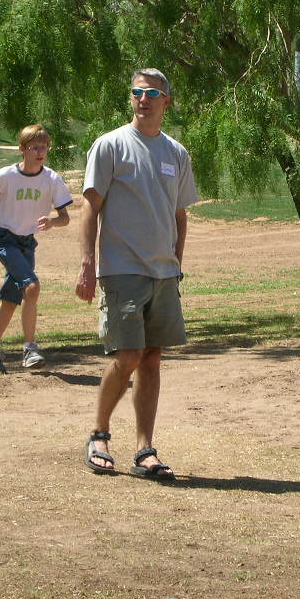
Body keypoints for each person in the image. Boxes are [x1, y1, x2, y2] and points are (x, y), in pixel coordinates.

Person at [75, 68, 198, 479]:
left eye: (152, 93)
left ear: (167, 101)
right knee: (127, 355)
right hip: (122, 268)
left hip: (163, 273)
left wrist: (177, 263)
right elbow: (90, 206)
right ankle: (99, 434)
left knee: (152, 358)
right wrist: (87, 265)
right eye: (137, 92)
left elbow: (180, 214)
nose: (143, 99)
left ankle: (145, 449)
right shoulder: (110, 145)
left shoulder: (176, 153)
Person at [0, 124, 72, 374]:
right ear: (22, 149)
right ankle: (30, 348)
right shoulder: (4, 176)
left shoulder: (52, 179)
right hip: (3, 238)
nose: (40, 152)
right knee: (32, 286)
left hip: (27, 242)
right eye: (35, 147)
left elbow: (65, 218)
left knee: (12, 298)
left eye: (44, 147)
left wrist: (53, 222)